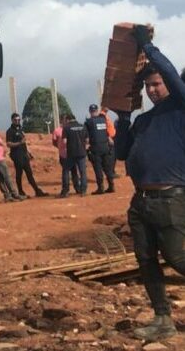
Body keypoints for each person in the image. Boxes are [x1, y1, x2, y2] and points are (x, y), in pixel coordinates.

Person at [115, 25, 185, 342]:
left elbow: (170, 72)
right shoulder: (144, 120)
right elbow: (121, 154)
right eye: (148, 87)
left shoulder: (180, 109)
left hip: (170, 198)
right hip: (140, 201)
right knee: (146, 261)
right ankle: (162, 319)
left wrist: (146, 46)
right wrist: (125, 118)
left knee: (177, 258)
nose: (153, 90)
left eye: (157, 84)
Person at [6, 113, 48, 198]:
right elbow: (8, 144)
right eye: (15, 120)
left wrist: (28, 153)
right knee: (19, 173)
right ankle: (20, 192)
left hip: (24, 155)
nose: (17, 121)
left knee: (29, 173)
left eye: (18, 120)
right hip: (17, 155)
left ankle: (37, 190)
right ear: (12, 120)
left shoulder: (20, 129)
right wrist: (19, 143)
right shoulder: (10, 131)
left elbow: (24, 143)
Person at [84, 103, 115, 194]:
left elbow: (87, 138)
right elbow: (106, 132)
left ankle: (101, 188)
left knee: (98, 168)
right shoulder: (102, 119)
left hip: (95, 148)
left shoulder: (88, 122)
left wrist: (86, 147)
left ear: (90, 111)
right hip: (105, 147)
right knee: (107, 167)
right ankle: (111, 185)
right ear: (97, 111)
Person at [52, 114, 80, 194]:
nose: (66, 121)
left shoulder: (71, 129)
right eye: (65, 119)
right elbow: (54, 142)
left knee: (74, 171)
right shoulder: (57, 130)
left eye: (67, 119)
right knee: (66, 171)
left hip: (72, 153)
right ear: (61, 121)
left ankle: (77, 188)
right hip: (63, 155)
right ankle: (65, 189)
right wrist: (60, 148)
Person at [62, 115, 88, 197]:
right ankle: (83, 190)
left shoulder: (66, 128)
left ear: (67, 119)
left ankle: (66, 191)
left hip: (71, 153)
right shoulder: (83, 126)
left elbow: (64, 141)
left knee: (66, 171)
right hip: (82, 152)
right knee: (82, 172)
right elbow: (87, 140)